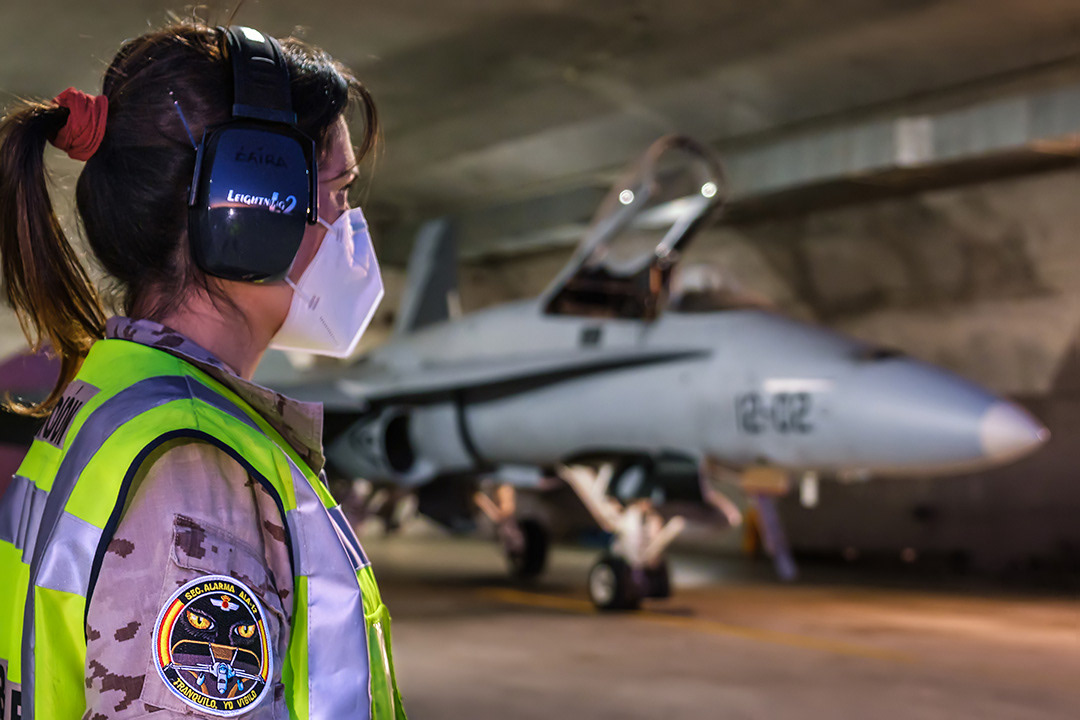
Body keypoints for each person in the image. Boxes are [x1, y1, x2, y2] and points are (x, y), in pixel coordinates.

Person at [0, 19, 406, 720]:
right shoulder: (193, 471)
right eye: (338, 194)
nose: (350, 228)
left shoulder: (111, 399)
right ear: (253, 209)